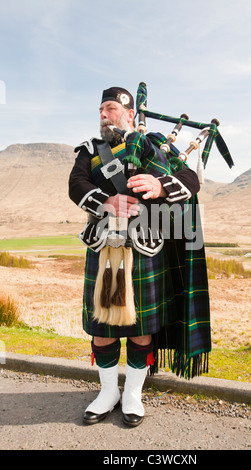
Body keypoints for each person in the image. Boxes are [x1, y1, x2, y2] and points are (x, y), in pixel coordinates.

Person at [68, 86, 211, 427]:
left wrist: (162, 187)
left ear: (130, 113)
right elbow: (76, 184)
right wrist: (105, 201)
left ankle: (132, 394)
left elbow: (190, 177)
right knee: (101, 328)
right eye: (101, 109)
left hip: (145, 248)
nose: (103, 115)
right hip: (104, 248)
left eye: (111, 108)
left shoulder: (155, 144)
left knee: (140, 328)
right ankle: (107, 393)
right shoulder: (91, 151)